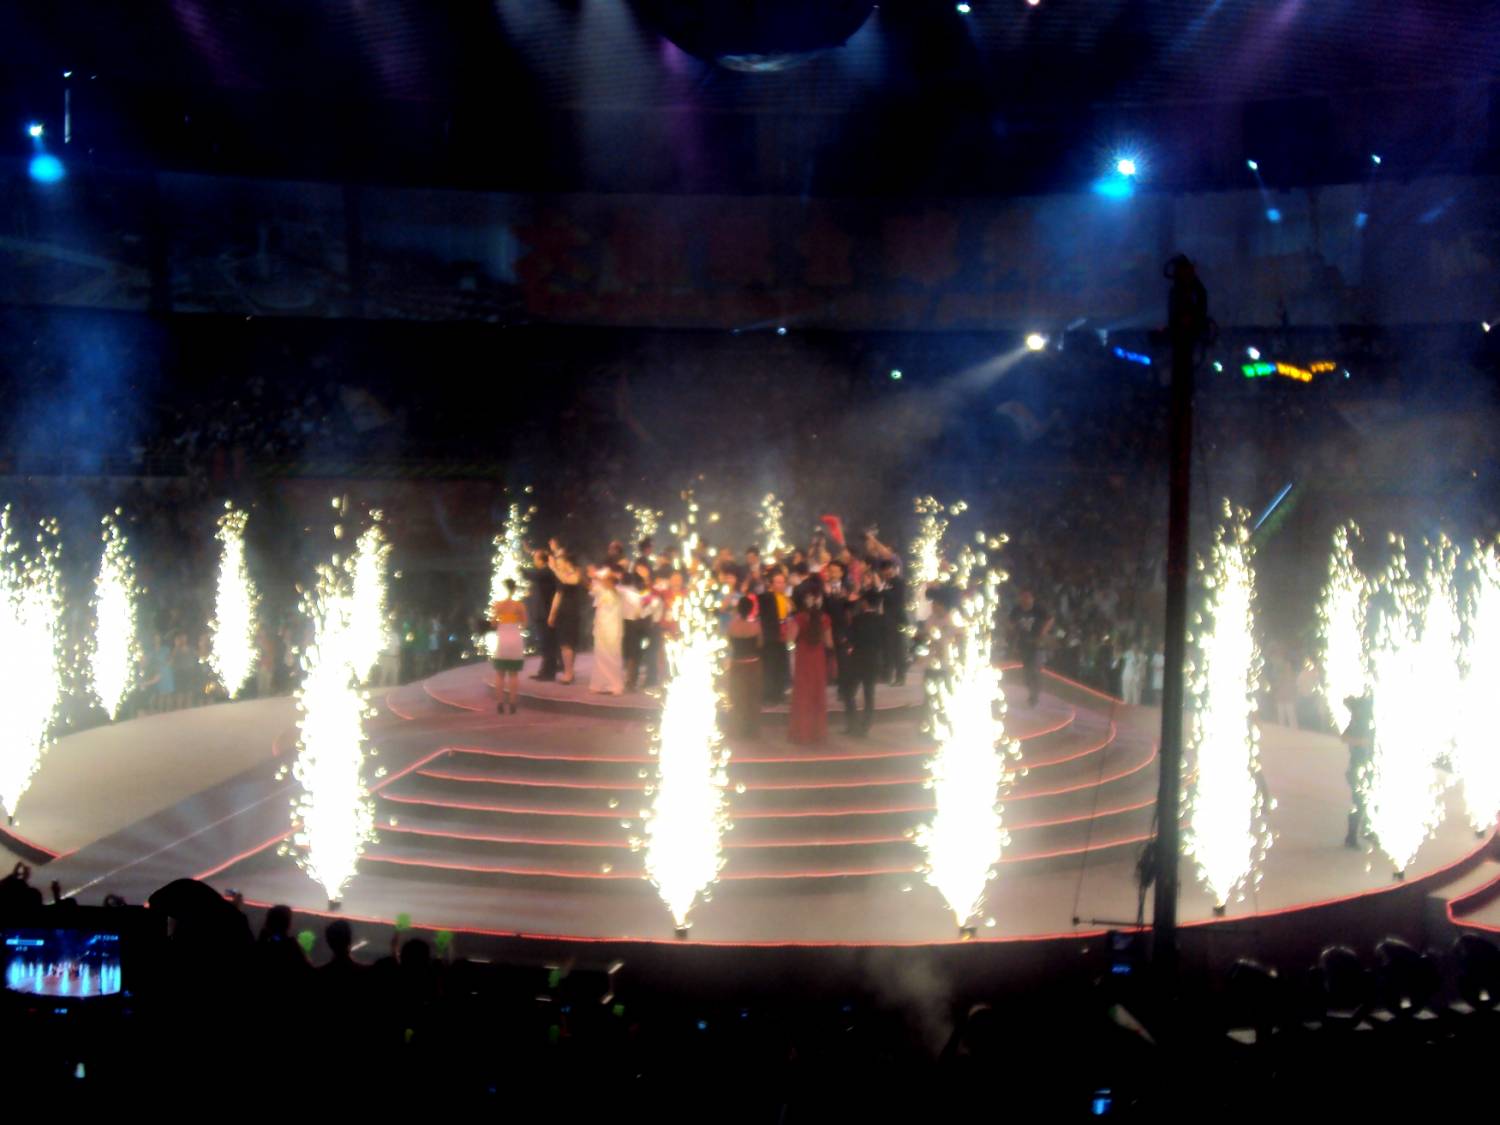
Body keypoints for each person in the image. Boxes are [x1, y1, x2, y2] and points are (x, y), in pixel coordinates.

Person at [788, 588, 833, 744]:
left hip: (803, 657)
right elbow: (829, 643)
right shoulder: (825, 619)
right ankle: (817, 732)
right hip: (818, 657)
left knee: (803, 694)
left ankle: (801, 732)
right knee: (817, 693)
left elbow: (789, 640)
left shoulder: (799, 618)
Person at [846, 590, 884, 735]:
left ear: (865, 603)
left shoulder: (858, 619)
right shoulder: (881, 620)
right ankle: (865, 726)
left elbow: (851, 638)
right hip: (874, 659)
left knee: (849, 692)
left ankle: (852, 723)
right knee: (869, 694)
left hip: (858, 658)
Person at [1008, 588, 1053, 707]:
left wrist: (1043, 632)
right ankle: (1032, 692)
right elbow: (1010, 622)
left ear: (1032, 598)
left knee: (1035, 670)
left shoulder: (1038, 609)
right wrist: (1013, 632)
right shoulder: (1016, 610)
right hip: (1024, 644)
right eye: (1023, 597)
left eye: (1028, 597)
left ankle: (1034, 696)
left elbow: (1050, 619)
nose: (1025, 600)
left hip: (1037, 644)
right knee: (1027, 673)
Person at [726, 596, 763, 738]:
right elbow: (760, 644)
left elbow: (730, 643)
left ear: (738, 609)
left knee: (737, 697)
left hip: (737, 664)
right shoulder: (756, 626)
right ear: (751, 609)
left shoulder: (732, 626)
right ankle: (751, 731)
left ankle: (737, 729)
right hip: (752, 665)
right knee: (752, 698)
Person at [1341, 692, 1374, 849]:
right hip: (1359, 767)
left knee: (1367, 801)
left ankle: (1366, 830)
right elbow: (1345, 738)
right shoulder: (1361, 722)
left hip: (1366, 767)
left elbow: (1345, 737)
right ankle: (1351, 836)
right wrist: (1363, 742)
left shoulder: (1363, 722)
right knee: (1359, 802)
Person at [548, 547, 583, 684]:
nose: (557, 563)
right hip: (562, 611)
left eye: (559, 560)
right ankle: (568, 672)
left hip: (572, 611)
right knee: (564, 643)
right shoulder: (560, 575)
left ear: (566, 561)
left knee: (569, 643)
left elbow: (572, 581)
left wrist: (554, 569)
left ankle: (569, 672)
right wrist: (552, 614)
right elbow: (558, 594)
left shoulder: (575, 571)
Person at [490, 578, 526, 714]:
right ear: (514, 589)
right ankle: (513, 703)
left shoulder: (498, 605)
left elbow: (493, 623)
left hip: (503, 638)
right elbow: (524, 623)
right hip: (515, 638)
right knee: (513, 674)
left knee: (500, 673)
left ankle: (500, 703)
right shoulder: (519, 606)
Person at [757, 568, 792, 703]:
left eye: (783, 582)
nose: (781, 585)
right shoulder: (766, 597)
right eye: (778, 582)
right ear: (771, 584)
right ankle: (769, 695)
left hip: (782, 637)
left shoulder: (786, 598)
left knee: (781, 666)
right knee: (770, 667)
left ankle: (779, 693)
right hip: (770, 638)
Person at [589, 568, 625, 695]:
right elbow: (592, 588)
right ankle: (600, 684)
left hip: (613, 628)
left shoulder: (619, 592)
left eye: (607, 580)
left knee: (613, 656)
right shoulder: (600, 591)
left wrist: (604, 576)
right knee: (600, 655)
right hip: (601, 627)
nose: (604, 582)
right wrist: (595, 577)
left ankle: (615, 685)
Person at [527, 548, 560, 681]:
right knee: (544, 644)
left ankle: (548, 672)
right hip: (540, 613)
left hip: (545, 613)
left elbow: (531, 575)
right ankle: (544, 670)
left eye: (535, 558)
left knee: (547, 643)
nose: (533, 561)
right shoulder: (542, 573)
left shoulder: (546, 571)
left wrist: (518, 568)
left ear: (541, 560)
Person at [876, 558, 908, 686]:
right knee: (887, 649)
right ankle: (887, 675)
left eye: (889, 569)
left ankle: (900, 677)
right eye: (884, 570)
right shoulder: (885, 582)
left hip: (897, 620)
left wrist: (881, 588)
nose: (887, 572)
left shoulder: (899, 582)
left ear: (894, 569)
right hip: (884, 619)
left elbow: (895, 599)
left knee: (898, 649)